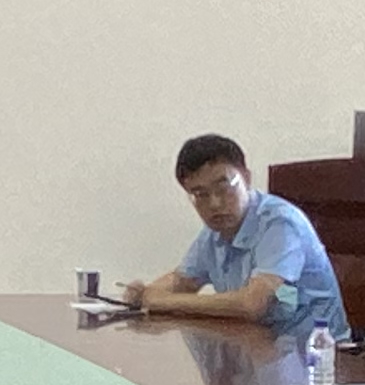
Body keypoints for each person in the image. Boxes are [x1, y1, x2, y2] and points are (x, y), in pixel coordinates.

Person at [123, 133, 346, 340]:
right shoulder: (214, 233)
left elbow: (252, 304)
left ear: (246, 178)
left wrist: (163, 301)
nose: (214, 203)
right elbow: (182, 281)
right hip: (259, 346)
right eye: (200, 194)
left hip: (321, 355)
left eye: (223, 189)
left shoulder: (280, 224)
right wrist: (144, 294)